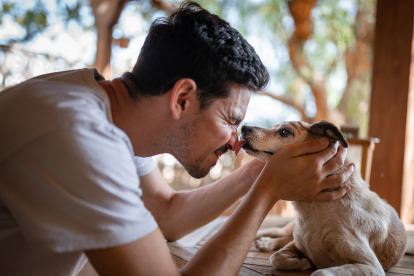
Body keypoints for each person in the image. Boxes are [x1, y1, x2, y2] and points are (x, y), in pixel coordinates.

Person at [0, 2, 354, 275]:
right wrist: (268, 192)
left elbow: (164, 214)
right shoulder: (79, 135)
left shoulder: (107, 111)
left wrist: (262, 171)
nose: (236, 140)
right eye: (232, 120)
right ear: (182, 98)